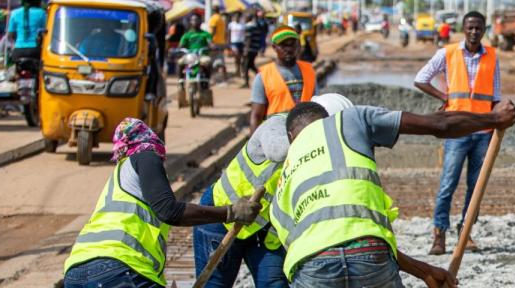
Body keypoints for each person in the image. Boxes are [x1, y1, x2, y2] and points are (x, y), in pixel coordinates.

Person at [270, 96, 515, 287]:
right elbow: (438, 123)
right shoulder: (349, 119)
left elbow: (327, 246)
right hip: (370, 256)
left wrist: (426, 272)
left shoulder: (281, 187)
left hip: (312, 271)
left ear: (291, 137)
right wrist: (493, 119)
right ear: (330, 117)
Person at [62, 118, 262, 287]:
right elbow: (169, 210)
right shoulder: (145, 156)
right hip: (119, 267)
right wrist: (230, 212)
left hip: (75, 273)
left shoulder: (117, 180)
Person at [191, 94, 354, 288]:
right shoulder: (276, 125)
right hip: (223, 216)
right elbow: (275, 150)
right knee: (215, 284)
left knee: (274, 284)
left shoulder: (324, 155)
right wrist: (315, 140)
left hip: (267, 231)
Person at [413, 11, 502, 255]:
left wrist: (498, 123)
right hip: (456, 131)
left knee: (475, 187)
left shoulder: (492, 56)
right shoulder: (448, 53)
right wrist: (445, 97)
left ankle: (466, 234)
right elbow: (420, 79)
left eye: (478, 28)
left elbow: (495, 98)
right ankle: (439, 236)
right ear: (463, 29)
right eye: (470, 27)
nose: (474, 32)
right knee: (447, 185)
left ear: (484, 30)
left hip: (483, 131)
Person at [249, 26, 317, 132]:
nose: (288, 49)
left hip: (306, 133)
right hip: (276, 134)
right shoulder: (263, 76)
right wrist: (253, 145)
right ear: (274, 47)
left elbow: (317, 105)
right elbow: (256, 116)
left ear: (298, 45)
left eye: (292, 44)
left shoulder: (309, 71)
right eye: (283, 45)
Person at [5, 0, 44, 68]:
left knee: (16, 75)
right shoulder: (42, 13)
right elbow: (46, 32)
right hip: (35, 51)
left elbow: (10, 35)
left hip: (18, 51)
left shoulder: (14, 13)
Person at [242, 10, 268, 88]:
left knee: (246, 65)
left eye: (245, 17)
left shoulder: (249, 26)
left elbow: (249, 39)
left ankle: (246, 83)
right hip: (255, 48)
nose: (244, 18)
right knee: (250, 65)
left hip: (250, 49)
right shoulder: (257, 25)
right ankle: (262, 78)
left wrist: (246, 50)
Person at [208, 6, 229, 81]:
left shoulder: (213, 18)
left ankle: (211, 77)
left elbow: (213, 30)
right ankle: (225, 77)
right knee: (220, 59)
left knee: (210, 60)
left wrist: (209, 40)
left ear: (213, 10)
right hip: (221, 42)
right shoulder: (221, 19)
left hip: (214, 42)